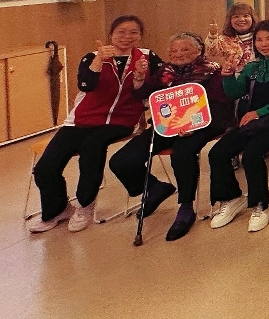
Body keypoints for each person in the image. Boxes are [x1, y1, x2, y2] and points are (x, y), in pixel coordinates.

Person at [29, 16, 163, 234]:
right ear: (111, 34)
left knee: (92, 148)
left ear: (140, 36)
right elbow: (86, 85)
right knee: (45, 167)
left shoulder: (149, 58)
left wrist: (140, 77)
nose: (127, 37)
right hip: (81, 119)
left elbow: (155, 91)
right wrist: (99, 60)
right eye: (121, 32)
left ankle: (85, 205)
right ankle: (57, 209)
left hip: (121, 119)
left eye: (134, 32)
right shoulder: (92, 56)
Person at [108, 32, 235, 241]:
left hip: (203, 124)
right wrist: (139, 76)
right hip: (168, 124)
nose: (178, 54)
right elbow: (142, 94)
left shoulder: (211, 71)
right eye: (174, 50)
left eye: (185, 49)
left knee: (182, 153)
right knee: (121, 160)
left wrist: (193, 125)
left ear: (198, 51)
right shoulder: (164, 72)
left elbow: (221, 105)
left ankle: (186, 207)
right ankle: (156, 188)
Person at [208, 20, 269, 233]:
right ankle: (232, 198)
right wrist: (227, 77)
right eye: (259, 39)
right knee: (217, 152)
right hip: (256, 122)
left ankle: (261, 204)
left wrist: (259, 112)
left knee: (252, 154)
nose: (264, 44)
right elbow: (234, 93)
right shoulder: (253, 67)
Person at [206, 3, 258, 75]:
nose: (241, 19)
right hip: (234, 77)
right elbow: (211, 53)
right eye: (236, 16)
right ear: (230, 20)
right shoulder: (225, 40)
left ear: (252, 18)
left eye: (246, 16)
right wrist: (212, 35)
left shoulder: (260, 36)